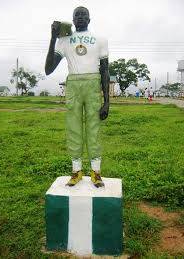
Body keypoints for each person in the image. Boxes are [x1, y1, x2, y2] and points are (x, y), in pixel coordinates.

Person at [45, 6, 110, 188]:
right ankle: (76, 171)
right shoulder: (64, 40)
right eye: (77, 15)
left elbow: (105, 70)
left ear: (89, 19)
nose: (80, 17)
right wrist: (52, 39)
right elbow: (48, 69)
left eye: (84, 15)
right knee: (73, 128)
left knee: (93, 127)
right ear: (72, 20)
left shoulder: (100, 40)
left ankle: (96, 172)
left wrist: (107, 101)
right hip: (73, 84)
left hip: (92, 84)